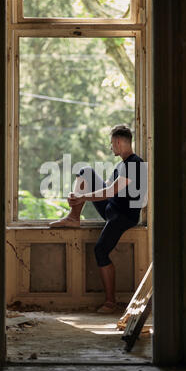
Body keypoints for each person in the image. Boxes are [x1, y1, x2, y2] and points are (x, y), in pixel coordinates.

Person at [49, 124, 146, 314]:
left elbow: (111, 191)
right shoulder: (121, 165)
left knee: (100, 250)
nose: (111, 148)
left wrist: (83, 197)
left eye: (111, 144)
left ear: (118, 142)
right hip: (112, 208)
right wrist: (77, 196)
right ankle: (73, 216)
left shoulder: (135, 163)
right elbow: (107, 188)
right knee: (85, 171)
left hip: (124, 216)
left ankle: (111, 302)